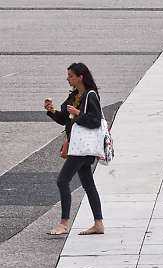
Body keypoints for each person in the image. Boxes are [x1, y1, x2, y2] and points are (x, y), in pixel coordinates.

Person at [44, 62, 105, 235]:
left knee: (62, 180)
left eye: (71, 75)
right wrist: (52, 111)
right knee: (88, 184)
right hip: (77, 145)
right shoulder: (74, 96)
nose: (68, 78)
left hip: (82, 147)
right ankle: (98, 223)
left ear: (80, 77)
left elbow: (95, 121)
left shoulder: (90, 95)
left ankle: (64, 223)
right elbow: (64, 119)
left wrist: (78, 114)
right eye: (68, 75)